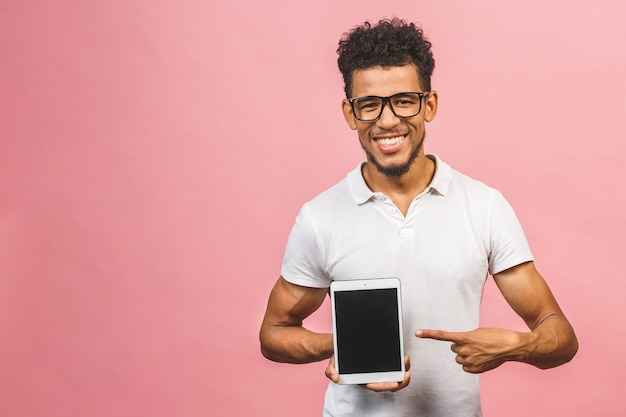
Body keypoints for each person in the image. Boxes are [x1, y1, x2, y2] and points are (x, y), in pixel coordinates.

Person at [259, 18, 578, 416]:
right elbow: (273, 334)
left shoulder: (484, 206)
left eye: (404, 100)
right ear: (350, 112)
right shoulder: (319, 218)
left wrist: (517, 346)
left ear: (429, 104)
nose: (388, 120)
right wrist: (344, 346)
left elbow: (561, 338)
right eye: (369, 104)